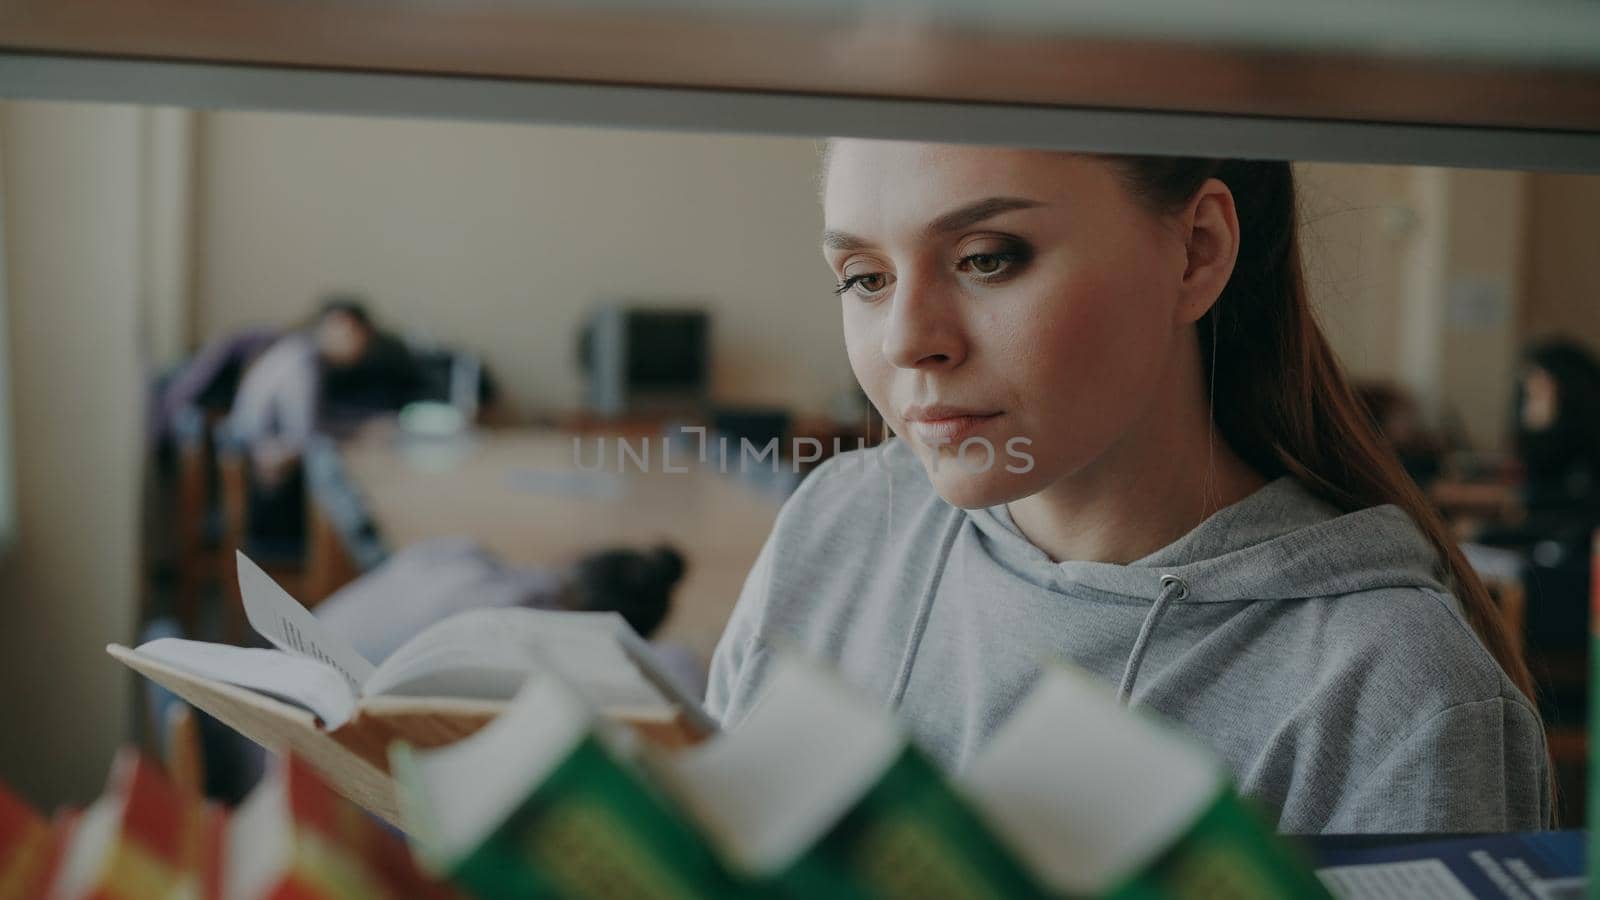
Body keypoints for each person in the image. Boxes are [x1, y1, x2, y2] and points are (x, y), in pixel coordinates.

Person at [707, 143, 1547, 833]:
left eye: (986, 259)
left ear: (1199, 250)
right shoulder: (839, 520)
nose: (906, 341)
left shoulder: (1395, 693)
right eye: (864, 277)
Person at [225, 296, 420, 540]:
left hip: (262, 468)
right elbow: (307, 433)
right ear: (341, 325)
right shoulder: (302, 361)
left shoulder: (303, 353)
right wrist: (361, 432)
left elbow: (315, 418)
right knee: (341, 474)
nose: (364, 347)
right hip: (263, 481)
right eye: (360, 335)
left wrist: (364, 425)